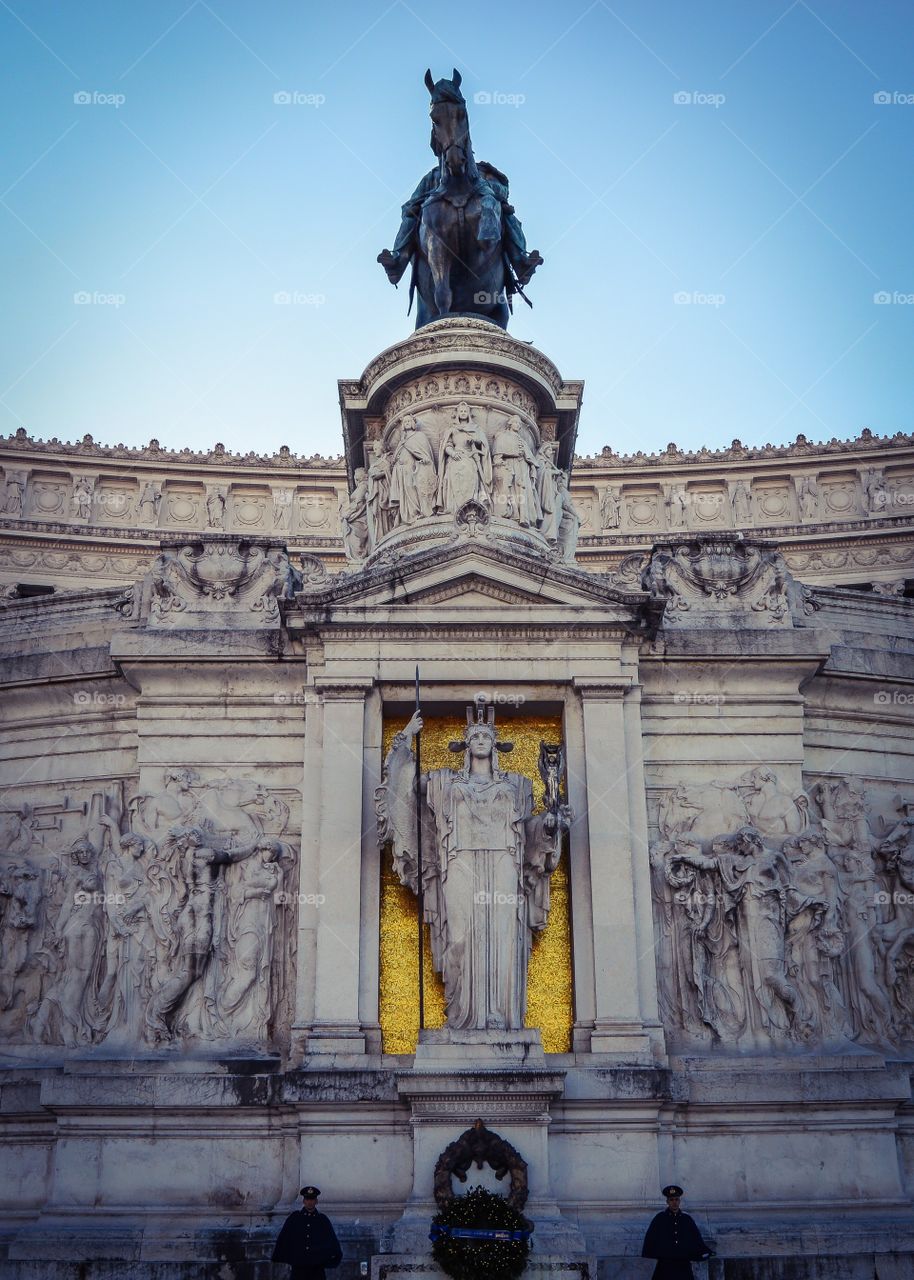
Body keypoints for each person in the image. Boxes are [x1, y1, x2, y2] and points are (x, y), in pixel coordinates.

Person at [642, 1185, 714, 1279]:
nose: (674, 1202)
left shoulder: (686, 1219)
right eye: (671, 1200)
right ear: (667, 1202)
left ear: (679, 1201)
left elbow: (696, 1238)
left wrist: (704, 1251)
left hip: (683, 1264)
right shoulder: (660, 1218)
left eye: (676, 1199)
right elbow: (651, 1237)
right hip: (665, 1265)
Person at [272, 1185, 342, 1280]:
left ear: (316, 1201)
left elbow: (331, 1241)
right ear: (304, 1201)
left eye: (312, 1199)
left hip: (317, 1270)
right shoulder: (295, 1218)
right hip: (298, 1269)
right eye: (307, 1199)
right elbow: (284, 1239)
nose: (310, 1202)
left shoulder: (322, 1220)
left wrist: (328, 1260)